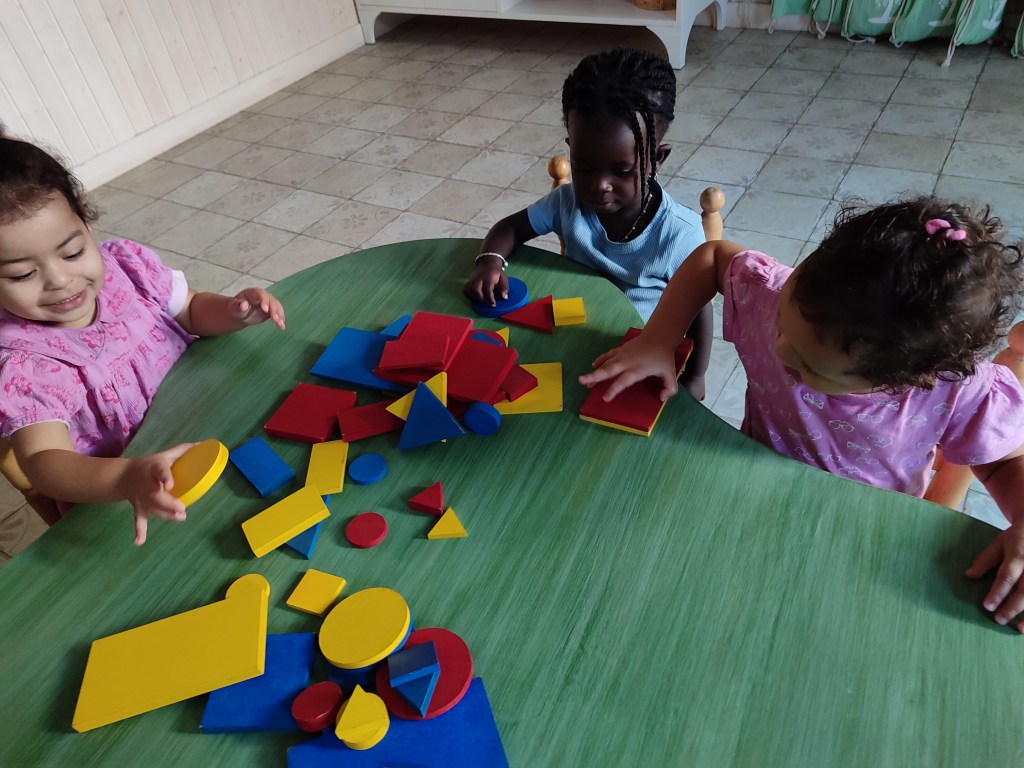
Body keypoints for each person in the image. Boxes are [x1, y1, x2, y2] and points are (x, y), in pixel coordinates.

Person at [579, 198, 1024, 631]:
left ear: (903, 379)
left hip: (861, 540)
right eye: (784, 324)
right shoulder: (783, 300)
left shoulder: (956, 389)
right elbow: (712, 258)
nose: (779, 350)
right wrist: (658, 338)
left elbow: (1006, 464)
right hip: (747, 494)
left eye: (809, 366)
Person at [0, 135, 285, 546]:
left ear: (85, 221)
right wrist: (125, 477)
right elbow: (44, 463)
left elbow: (191, 309)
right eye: (22, 274)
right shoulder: (23, 363)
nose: (60, 280)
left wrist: (233, 311)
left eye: (73, 251)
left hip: (218, 427)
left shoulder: (127, 269)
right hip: (138, 496)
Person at [462, 47, 712, 399]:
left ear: (657, 158)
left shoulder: (679, 234)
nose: (600, 185)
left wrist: (696, 376)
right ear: (571, 148)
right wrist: (490, 261)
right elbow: (511, 228)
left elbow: (699, 309)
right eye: (583, 166)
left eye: (622, 171)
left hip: (639, 353)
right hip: (570, 337)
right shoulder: (567, 202)